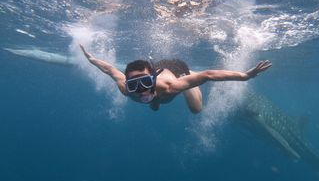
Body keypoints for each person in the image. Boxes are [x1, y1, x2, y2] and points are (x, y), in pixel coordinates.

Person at [79, 45, 272, 113]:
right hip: (159, 69)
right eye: (134, 84)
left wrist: (244, 76)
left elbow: (208, 75)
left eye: (146, 83)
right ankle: (157, 100)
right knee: (154, 105)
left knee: (196, 110)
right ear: (127, 84)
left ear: (153, 78)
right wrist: (92, 59)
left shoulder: (171, 86)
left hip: (179, 70)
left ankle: (190, 80)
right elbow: (110, 70)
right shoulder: (126, 89)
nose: (141, 90)